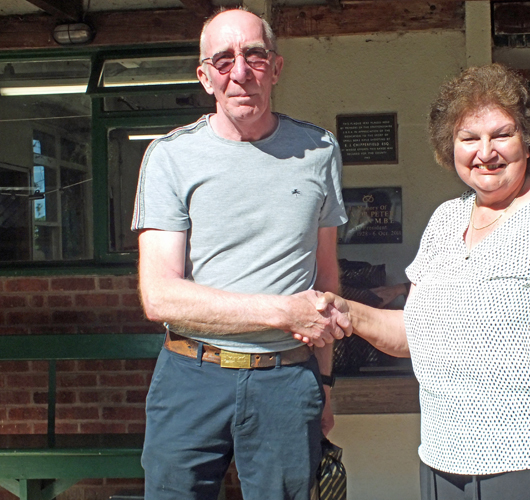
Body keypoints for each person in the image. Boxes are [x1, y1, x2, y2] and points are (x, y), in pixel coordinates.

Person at [311, 63, 530, 500]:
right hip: (441, 459)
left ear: (528, 141)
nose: (486, 152)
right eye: (469, 138)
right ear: (450, 146)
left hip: (525, 464)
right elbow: (413, 334)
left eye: (501, 135)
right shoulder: (445, 220)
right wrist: (346, 310)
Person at [131, 7, 348, 500]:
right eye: (224, 60)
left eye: (253, 55)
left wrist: (327, 383)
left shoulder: (318, 150)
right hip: (191, 375)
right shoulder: (170, 157)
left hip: (287, 378)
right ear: (204, 77)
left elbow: (326, 276)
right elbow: (159, 297)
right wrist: (281, 310)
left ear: (276, 67)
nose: (241, 72)